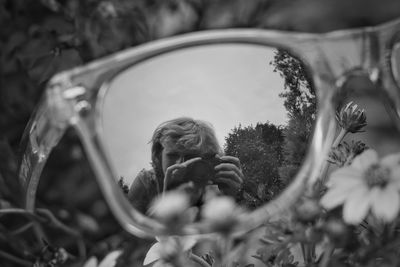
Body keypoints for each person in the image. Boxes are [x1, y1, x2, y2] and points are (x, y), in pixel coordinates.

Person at [127, 117, 244, 214]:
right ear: (158, 157)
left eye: (190, 156)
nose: (180, 164)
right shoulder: (147, 183)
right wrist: (168, 202)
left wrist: (229, 198)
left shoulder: (211, 185)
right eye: (172, 155)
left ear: (206, 161)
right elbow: (132, 237)